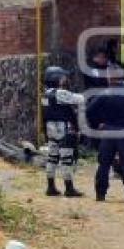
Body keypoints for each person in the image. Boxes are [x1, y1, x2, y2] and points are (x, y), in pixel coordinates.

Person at [86, 69, 124, 202]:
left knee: (104, 164)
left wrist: (97, 124)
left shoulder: (104, 94)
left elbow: (89, 110)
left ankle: (100, 193)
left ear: (110, 79)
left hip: (108, 131)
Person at [41, 66, 85, 197]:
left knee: (52, 157)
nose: (64, 79)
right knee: (67, 158)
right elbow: (80, 99)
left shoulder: (45, 94)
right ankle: (69, 187)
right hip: (64, 128)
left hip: (50, 129)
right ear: (56, 79)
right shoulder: (60, 93)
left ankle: (50, 186)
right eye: (62, 77)